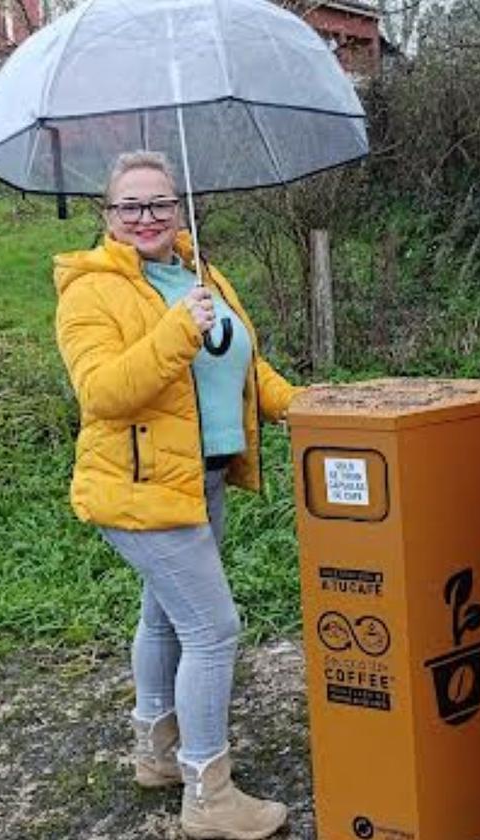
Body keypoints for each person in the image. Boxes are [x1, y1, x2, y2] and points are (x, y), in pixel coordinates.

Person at [53, 150, 297, 840]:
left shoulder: (198, 272)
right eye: (130, 206)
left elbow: (244, 365)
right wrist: (175, 328)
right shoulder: (89, 292)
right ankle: (208, 793)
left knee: (165, 619)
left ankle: (157, 753)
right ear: (108, 216)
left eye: (160, 202)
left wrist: (307, 405)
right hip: (138, 489)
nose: (146, 217)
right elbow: (103, 392)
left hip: (200, 477)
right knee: (212, 630)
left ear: (180, 208)